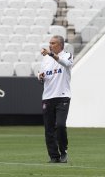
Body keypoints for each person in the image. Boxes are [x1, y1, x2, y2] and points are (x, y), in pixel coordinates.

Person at [38, 35, 73, 163]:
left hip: (62, 96)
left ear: (60, 45)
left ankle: (64, 151)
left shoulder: (67, 55)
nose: (50, 45)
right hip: (47, 97)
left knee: (61, 125)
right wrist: (40, 76)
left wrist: (51, 55)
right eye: (49, 43)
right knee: (49, 129)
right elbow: (41, 74)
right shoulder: (46, 59)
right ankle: (54, 156)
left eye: (53, 43)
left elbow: (65, 63)